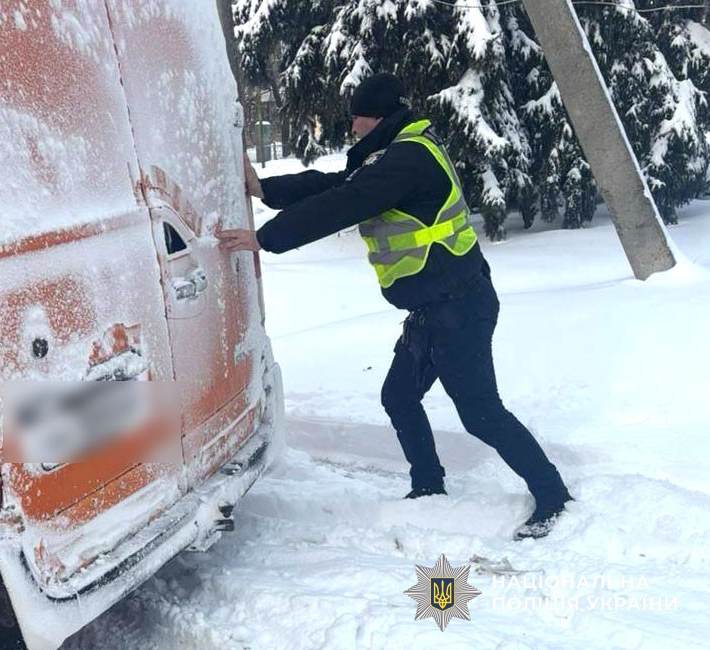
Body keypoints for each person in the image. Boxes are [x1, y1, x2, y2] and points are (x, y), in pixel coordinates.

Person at [218, 73, 573, 540]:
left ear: (376, 117)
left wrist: (265, 238)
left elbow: (346, 202)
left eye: (356, 120)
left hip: (460, 308)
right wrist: (266, 190)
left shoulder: (408, 158)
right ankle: (428, 485)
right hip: (435, 308)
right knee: (399, 396)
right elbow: (340, 184)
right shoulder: (393, 152)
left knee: (480, 411)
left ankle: (553, 495)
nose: (352, 130)